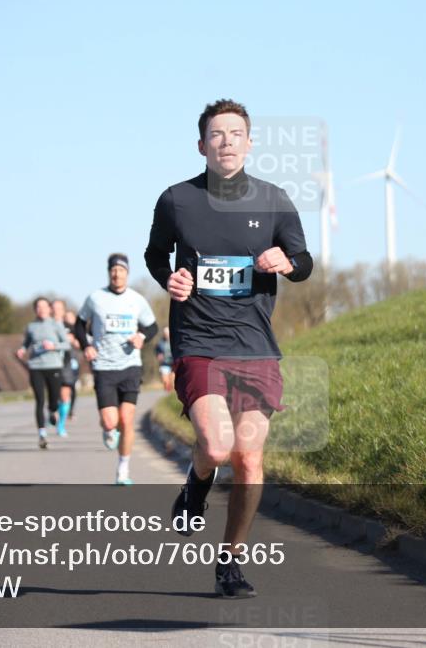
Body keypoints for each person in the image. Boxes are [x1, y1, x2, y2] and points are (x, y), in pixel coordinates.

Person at [144, 99, 313, 598]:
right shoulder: (177, 200)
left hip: (255, 344)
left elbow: (304, 261)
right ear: (202, 145)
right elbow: (155, 254)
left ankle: (230, 562)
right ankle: (196, 484)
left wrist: (287, 262)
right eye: (217, 135)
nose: (226, 142)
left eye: (235, 134)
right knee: (217, 447)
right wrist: (169, 277)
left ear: (249, 143)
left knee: (248, 458)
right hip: (198, 341)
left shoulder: (274, 200)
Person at [74, 253, 158, 485]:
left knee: (127, 419)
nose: (117, 274)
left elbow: (152, 327)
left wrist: (141, 336)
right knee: (111, 421)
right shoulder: (96, 298)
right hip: (104, 367)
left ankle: (123, 470)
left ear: (127, 273)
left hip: (130, 366)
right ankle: (108, 429)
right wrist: (86, 346)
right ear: (109, 272)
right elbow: (79, 325)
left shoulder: (137, 299)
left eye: (121, 270)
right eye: (113, 270)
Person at [16, 297, 71, 449]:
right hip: (36, 366)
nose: (41, 309)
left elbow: (67, 345)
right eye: (38, 307)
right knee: (39, 400)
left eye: (44, 306)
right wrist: (22, 349)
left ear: (49, 309)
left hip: (53, 366)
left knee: (53, 399)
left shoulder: (56, 324)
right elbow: (27, 342)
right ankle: (42, 434)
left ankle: (53, 411)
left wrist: (53, 346)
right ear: (35, 310)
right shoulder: (31, 326)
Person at [51, 299, 79, 437]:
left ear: (63, 310)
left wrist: (73, 340)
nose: (56, 311)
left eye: (59, 308)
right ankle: (52, 410)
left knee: (65, 395)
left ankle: (61, 424)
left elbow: (79, 344)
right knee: (53, 394)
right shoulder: (46, 326)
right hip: (50, 364)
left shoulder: (69, 326)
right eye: (54, 308)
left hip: (66, 364)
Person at [62, 309, 82, 423]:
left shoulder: (77, 330)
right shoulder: (62, 329)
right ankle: (62, 408)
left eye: (70, 318)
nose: (68, 320)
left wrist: (74, 341)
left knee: (72, 386)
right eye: (66, 318)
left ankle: (71, 410)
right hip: (64, 362)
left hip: (74, 361)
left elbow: (82, 345)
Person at [155, 326, 175, 392]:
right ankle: (167, 391)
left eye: (168, 333)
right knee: (165, 380)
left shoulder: (175, 341)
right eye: (165, 333)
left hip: (173, 363)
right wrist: (158, 355)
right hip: (164, 363)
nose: (167, 335)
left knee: (172, 380)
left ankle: (170, 393)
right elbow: (157, 351)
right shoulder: (160, 343)